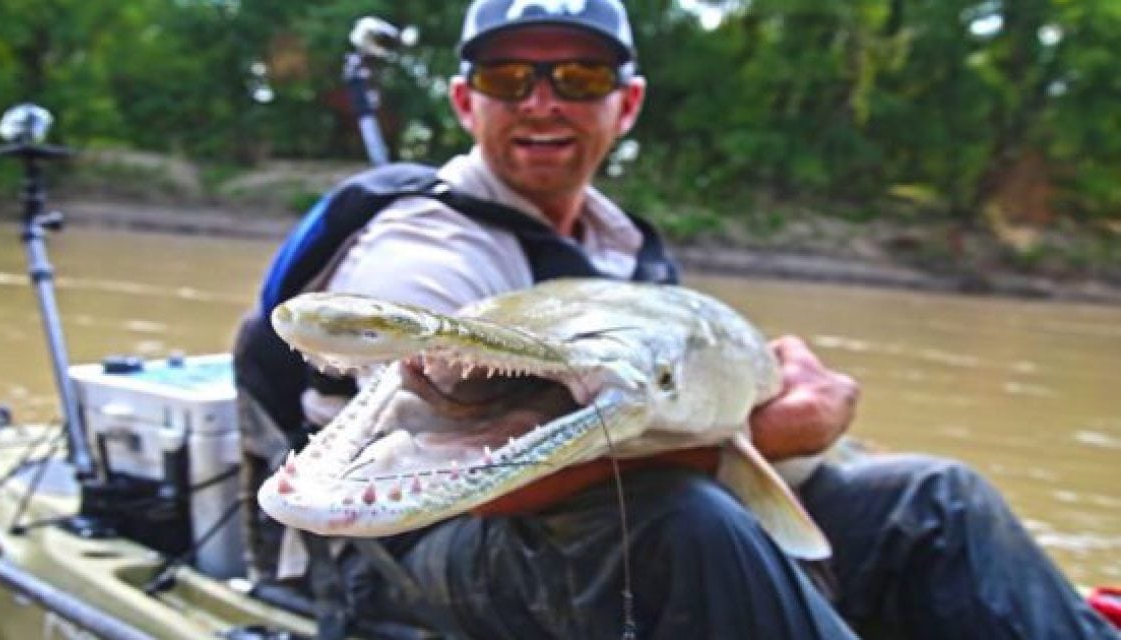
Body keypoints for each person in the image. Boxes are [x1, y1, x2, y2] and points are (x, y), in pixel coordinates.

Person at [234, 1, 1120, 638]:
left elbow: (665, 395)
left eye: (579, 77)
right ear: (467, 102)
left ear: (629, 103)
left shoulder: (622, 245)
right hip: (407, 555)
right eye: (511, 76)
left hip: (587, 509)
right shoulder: (425, 251)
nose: (544, 100)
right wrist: (768, 434)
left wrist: (765, 414)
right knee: (674, 519)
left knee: (932, 496)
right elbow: (436, 476)